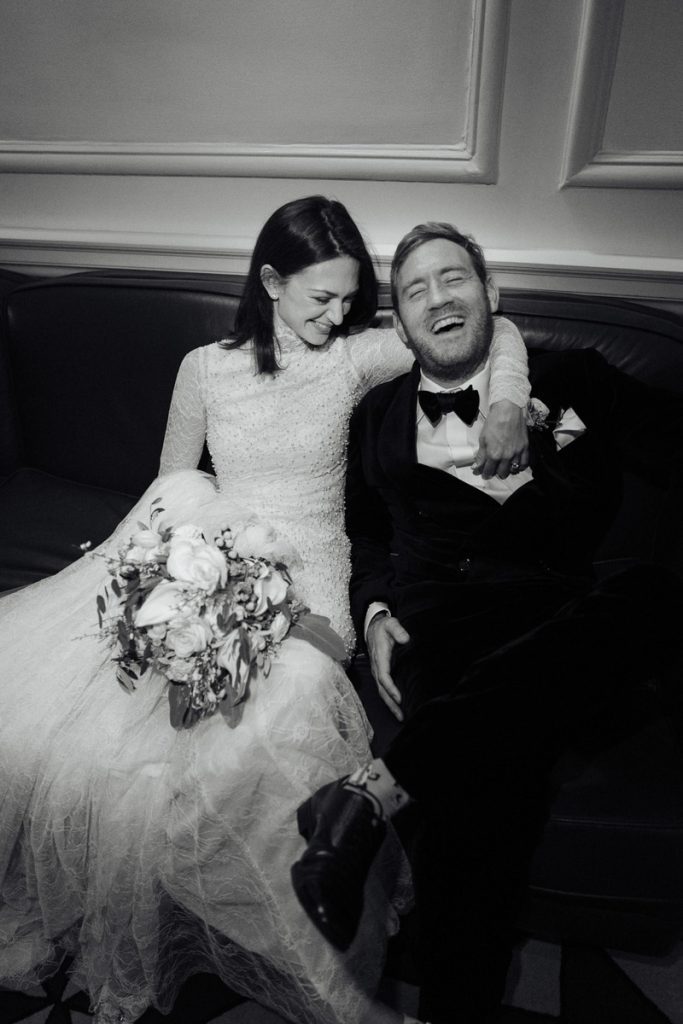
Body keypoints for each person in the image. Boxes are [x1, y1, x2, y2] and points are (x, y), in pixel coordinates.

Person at [0, 199, 531, 1024]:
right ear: (271, 282)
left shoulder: (353, 359)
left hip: (312, 586)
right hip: (211, 567)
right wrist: (183, 582)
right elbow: (173, 487)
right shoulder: (203, 368)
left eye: (350, 299)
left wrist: (504, 403)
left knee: (255, 750)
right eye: (321, 298)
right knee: (97, 745)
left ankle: (334, 987)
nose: (339, 314)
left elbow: (488, 330)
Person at [291, 221, 683, 1024]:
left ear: (490, 296)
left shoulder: (572, 376)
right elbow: (361, 532)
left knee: (649, 590)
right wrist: (371, 613)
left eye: (453, 278)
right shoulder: (373, 417)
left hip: (562, 607)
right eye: (415, 290)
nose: (437, 298)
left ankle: (373, 794)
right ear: (399, 324)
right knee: (483, 799)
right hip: (445, 621)